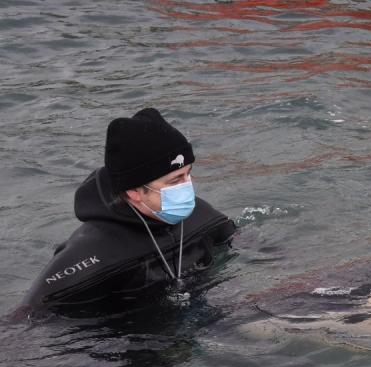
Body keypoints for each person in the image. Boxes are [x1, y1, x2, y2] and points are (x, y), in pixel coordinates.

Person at [19, 108, 236, 317]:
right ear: (134, 193)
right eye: (175, 180)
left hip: (202, 314)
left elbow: (248, 248)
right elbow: (27, 319)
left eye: (188, 174)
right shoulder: (88, 257)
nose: (187, 187)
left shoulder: (202, 215)